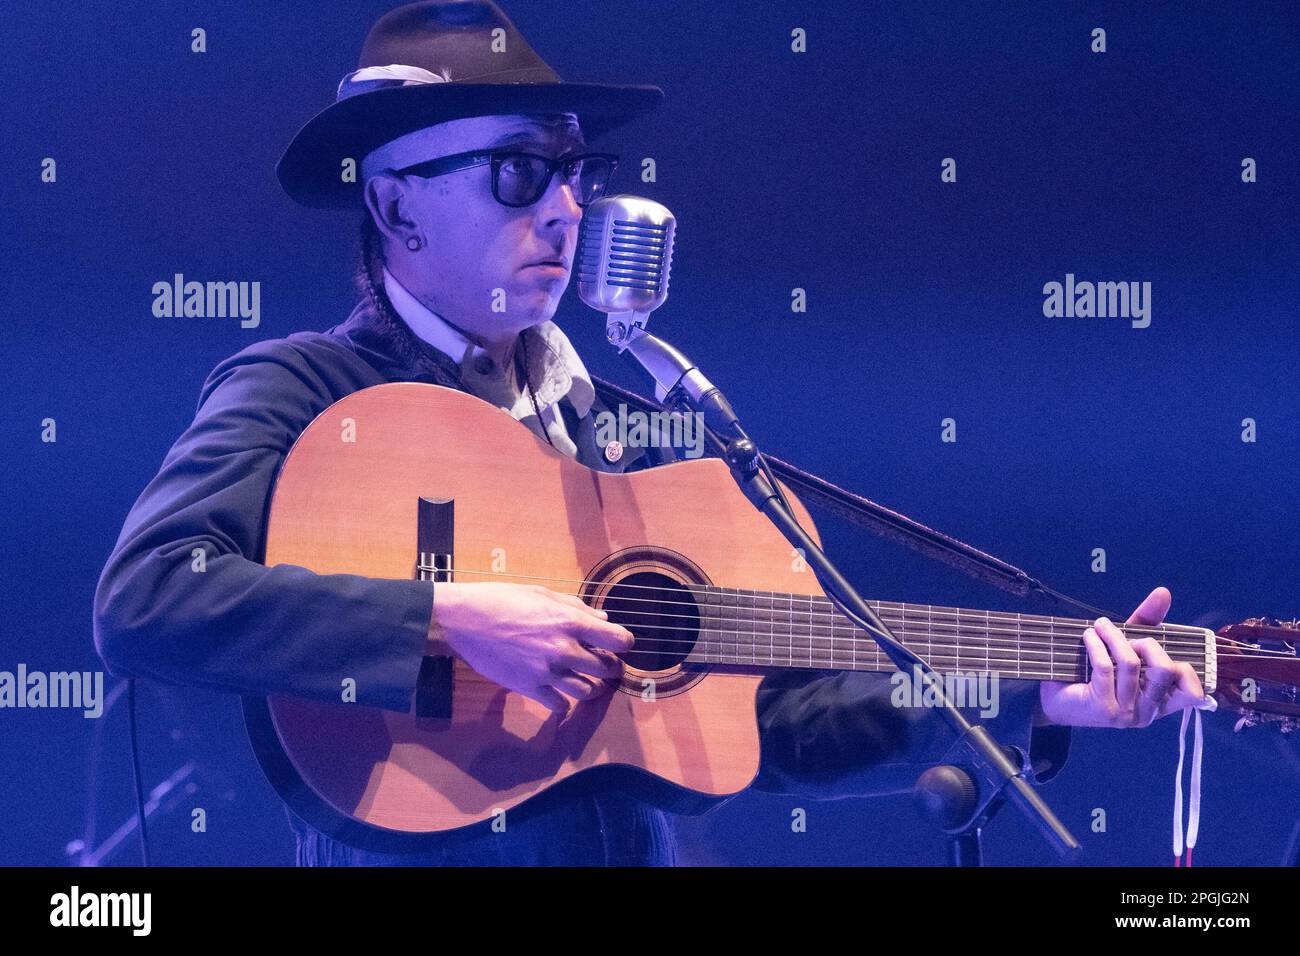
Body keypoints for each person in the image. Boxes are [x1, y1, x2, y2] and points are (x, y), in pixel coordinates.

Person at [93, 0, 1207, 866]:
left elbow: (786, 722)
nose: (567, 209)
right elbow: (148, 597)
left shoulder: (637, 441)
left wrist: (1034, 693)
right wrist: (446, 618)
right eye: (522, 170)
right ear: (395, 206)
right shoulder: (306, 390)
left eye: (578, 173)